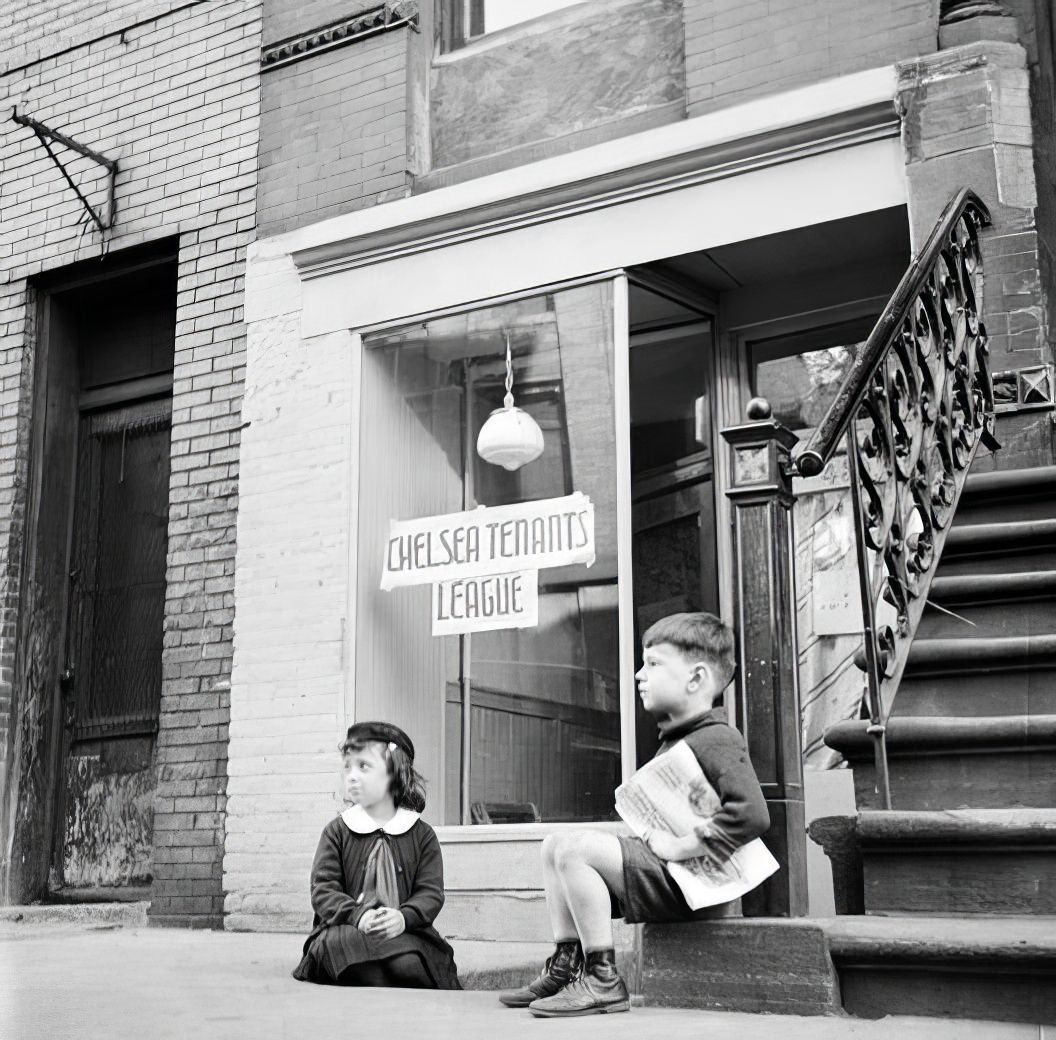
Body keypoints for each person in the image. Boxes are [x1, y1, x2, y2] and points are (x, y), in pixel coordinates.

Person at [499, 612, 770, 1017]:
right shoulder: (681, 739)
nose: (640, 675)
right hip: (675, 875)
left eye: (654, 664)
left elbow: (753, 815)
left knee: (575, 849)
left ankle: (603, 978)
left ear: (696, 679)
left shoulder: (718, 738)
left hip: (696, 883)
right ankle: (566, 963)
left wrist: (680, 845)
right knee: (554, 844)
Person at [292, 721, 461, 989]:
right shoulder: (337, 831)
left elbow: (430, 892)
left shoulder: (422, 835)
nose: (353, 776)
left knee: (409, 966)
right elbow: (323, 889)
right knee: (357, 963)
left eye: (364, 767)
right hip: (347, 927)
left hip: (405, 930)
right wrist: (357, 916)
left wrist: (404, 917)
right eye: (349, 766)